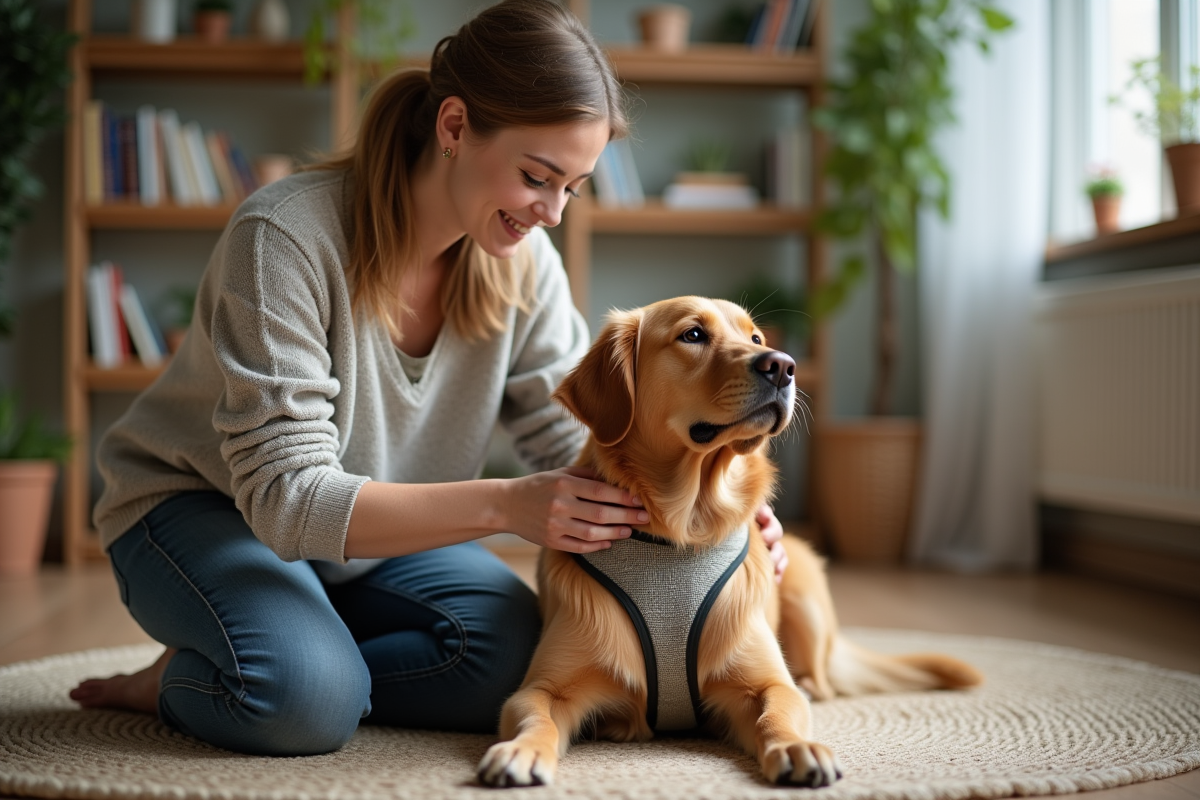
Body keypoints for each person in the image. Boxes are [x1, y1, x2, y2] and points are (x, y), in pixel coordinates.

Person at [70, 0, 788, 757]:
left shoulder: (522, 263)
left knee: (513, 660)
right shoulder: (282, 239)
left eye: (572, 188)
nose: (549, 213)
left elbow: (580, 433)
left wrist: (727, 524)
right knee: (302, 704)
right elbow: (286, 503)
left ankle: (285, 645)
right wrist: (508, 504)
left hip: (381, 531)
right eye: (537, 177)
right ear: (453, 128)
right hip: (207, 510)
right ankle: (217, 675)